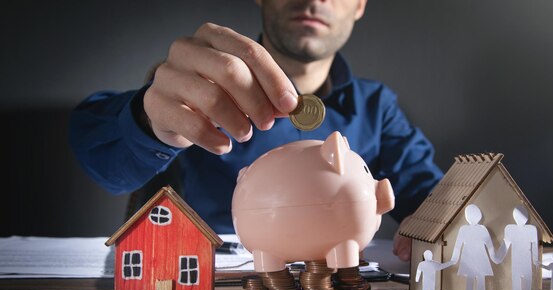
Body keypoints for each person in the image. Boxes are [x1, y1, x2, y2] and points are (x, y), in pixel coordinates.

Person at [69, 0, 442, 260]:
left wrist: (439, 221)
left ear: (359, 5)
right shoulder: (196, 87)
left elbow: (436, 198)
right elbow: (96, 150)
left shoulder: (378, 107)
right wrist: (149, 121)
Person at [445, 204, 500, 290]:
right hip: (476, 259)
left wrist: (453, 260)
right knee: (477, 283)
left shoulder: (466, 229)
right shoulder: (477, 229)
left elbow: (458, 246)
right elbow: (458, 245)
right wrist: (453, 259)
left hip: (471, 259)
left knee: (475, 283)